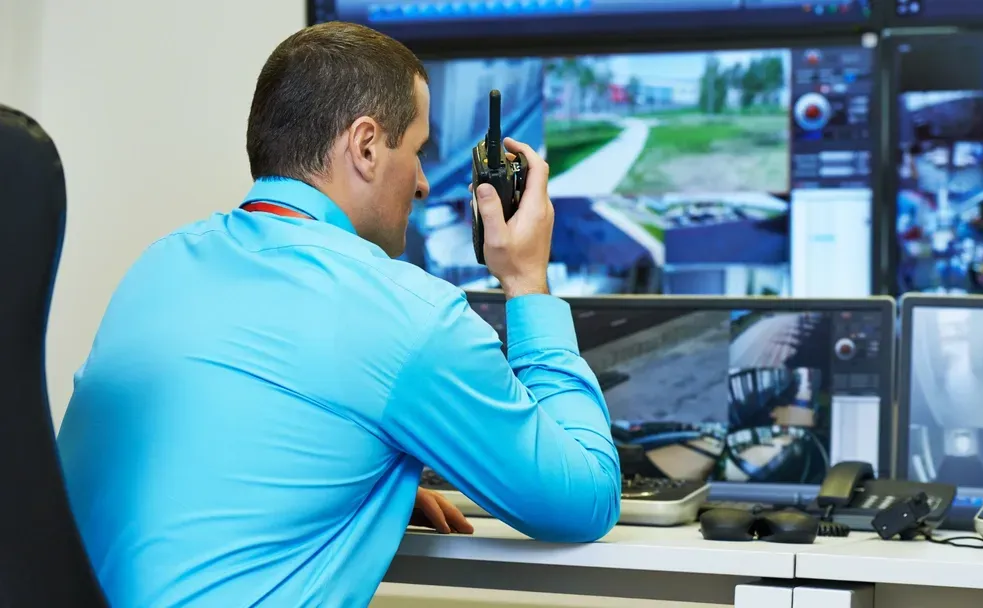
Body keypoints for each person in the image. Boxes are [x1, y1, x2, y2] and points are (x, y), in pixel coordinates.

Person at [57, 21, 621, 607]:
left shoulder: (159, 266)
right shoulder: (408, 315)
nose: (426, 183)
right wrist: (528, 281)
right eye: (419, 151)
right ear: (367, 145)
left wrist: (364, 482)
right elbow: (586, 499)